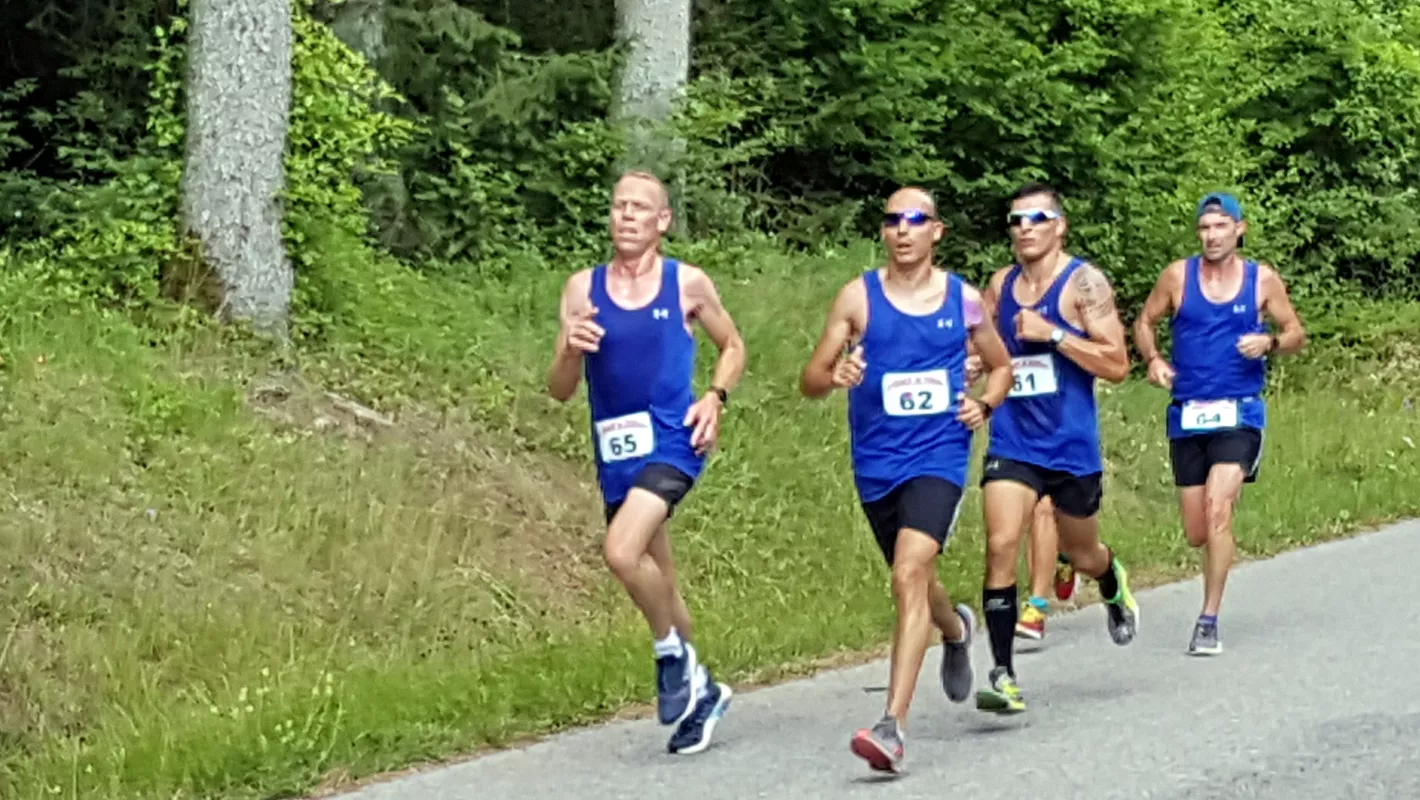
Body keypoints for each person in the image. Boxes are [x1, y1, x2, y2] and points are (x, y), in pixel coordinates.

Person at [800, 186, 1014, 773]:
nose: (902, 230)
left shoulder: (963, 301)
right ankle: (954, 629)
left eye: (915, 220)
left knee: (909, 571)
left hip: (939, 455)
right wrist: (836, 371)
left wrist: (985, 405)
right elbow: (810, 379)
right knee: (914, 579)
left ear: (936, 231)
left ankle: (891, 727)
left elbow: (1001, 367)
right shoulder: (858, 298)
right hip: (876, 462)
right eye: (893, 220)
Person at [546, 170, 747, 754]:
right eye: (618, 206)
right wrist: (567, 349)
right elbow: (560, 389)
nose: (626, 215)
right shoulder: (582, 290)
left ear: (663, 221)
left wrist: (716, 397)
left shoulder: (686, 283)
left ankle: (668, 656)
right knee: (659, 578)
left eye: (640, 208)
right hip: (616, 448)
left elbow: (733, 345)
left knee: (620, 551)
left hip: (673, 438)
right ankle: (703, 690)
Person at [973, 182, 1140, 715]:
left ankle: (1110, 578)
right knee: (1001, 543)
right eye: (1015, 219)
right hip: (1013, 440)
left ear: (1059, 226)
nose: (1024, 227)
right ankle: (1002, 673)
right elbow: (983, 349)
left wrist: (1056, 335)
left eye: (1036, 218)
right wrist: (976, 364)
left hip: (1070, 446)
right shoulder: (999, 285)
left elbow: (1117, 365)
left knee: (1083, 551)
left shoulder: (1084, 284)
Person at [1132, 192, 1307, 656]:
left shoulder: (1261, 280)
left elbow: (1296, 334)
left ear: (1239, 229)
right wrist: (1152, 359)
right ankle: (1217, 552)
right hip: (1188, 412)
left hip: (1240, 411)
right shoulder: (1177, 276)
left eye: (1220, 227)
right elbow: (1145, 321)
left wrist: (1269, 342)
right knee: (1196, 531)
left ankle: (1208, 619)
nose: (1211, 236)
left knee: (1217, 509)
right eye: (1205, 228)